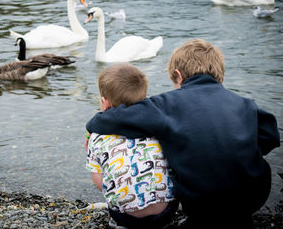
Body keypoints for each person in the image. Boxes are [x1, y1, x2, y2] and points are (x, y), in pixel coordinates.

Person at [86, 39, 280, 229]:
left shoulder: (166, 104)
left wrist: (95, 121)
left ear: (178, 76)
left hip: (201, 201)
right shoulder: (245, 104)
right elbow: (270, 137)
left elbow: (120, 118)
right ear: (219, 75)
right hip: (253, 197)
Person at [85, 63, 178, 229]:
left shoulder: (97, 136)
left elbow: (99, 182)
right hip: (166, 212)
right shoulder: (159, 125)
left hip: (126, 217)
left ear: (104, 103)